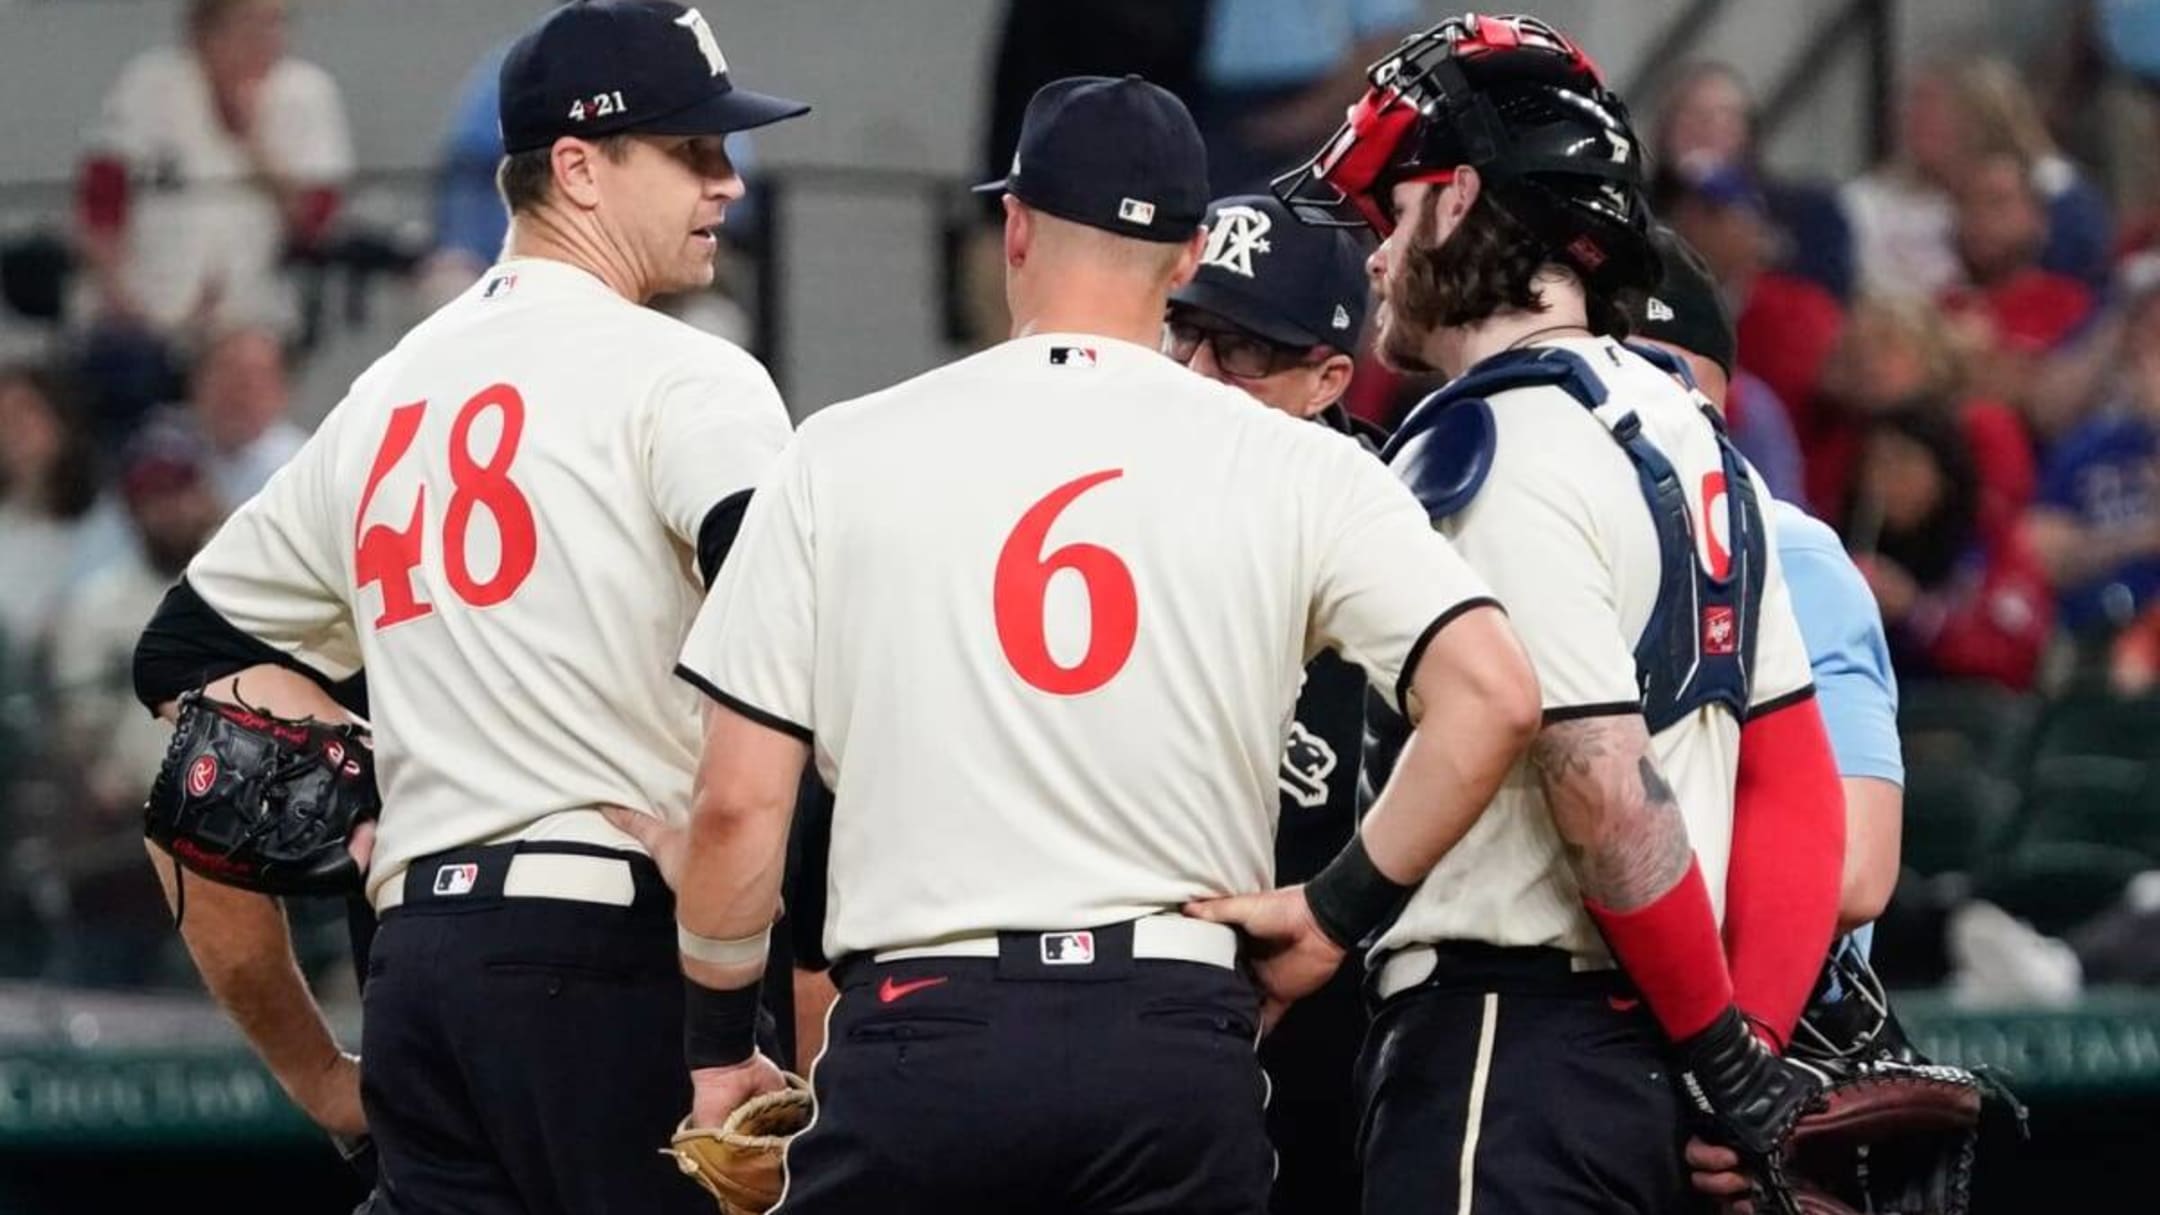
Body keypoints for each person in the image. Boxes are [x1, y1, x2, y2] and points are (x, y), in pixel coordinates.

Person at [661, 74, 1541, 1214]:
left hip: (923, 1038)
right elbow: (1497, 696)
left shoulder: (840, 452)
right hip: (1167, 1041)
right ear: (1185, 260)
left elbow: (738, 805)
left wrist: (722, 1045)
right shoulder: (1298, 463)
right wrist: (1333, 912)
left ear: (1016, 227)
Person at [127, 4, 808, 1212]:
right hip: (623, 957)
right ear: (581, 167)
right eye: (693, 151)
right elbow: (806, 639)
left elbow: (188, 669)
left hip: (425, 984)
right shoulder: (687, 371)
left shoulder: (387, 391)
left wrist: (325, 1065)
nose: (730, 182)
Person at [1267, 14, 1842, 1211]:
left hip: (1508, 1052)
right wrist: (1742, 1056)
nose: (1374, 254)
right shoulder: (1692, 433)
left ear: (1463, 195)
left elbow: (1602, 791)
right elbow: (1795, 780)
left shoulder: (1501, 442)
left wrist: (1726, 1064)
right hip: (1663, 1061)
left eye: (1394, 206)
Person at [1627, 222, 1909, 1209]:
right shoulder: (1567, 538)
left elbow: (1857, 868)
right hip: (1611, 1059)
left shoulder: (1792, 554)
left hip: (1770, 1049)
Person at [1164, 191, 1375, 1214]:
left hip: (1344, 1001)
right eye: (1185, 332)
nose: (1199, 375)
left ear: (1328, 377)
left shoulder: (1402, 517)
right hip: (1147, 994)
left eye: (1243, 351)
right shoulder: (1106, 484)